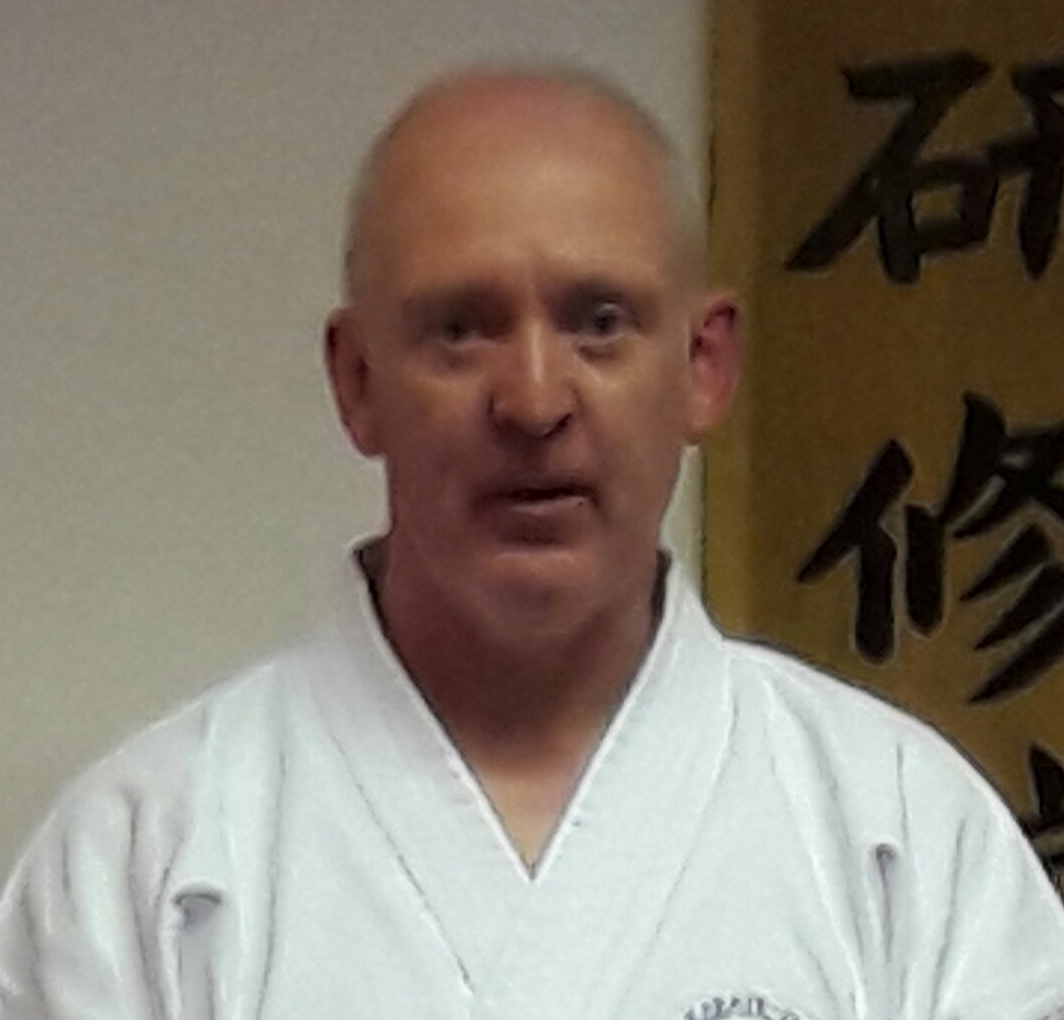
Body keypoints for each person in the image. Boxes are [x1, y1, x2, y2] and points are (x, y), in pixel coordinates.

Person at [1, 66, 1062, 1020]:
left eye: (599, 322)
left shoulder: (905, 840)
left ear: (702, 367)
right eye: (461, 329)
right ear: (357, 381)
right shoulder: (143, 862)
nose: (534, 400)